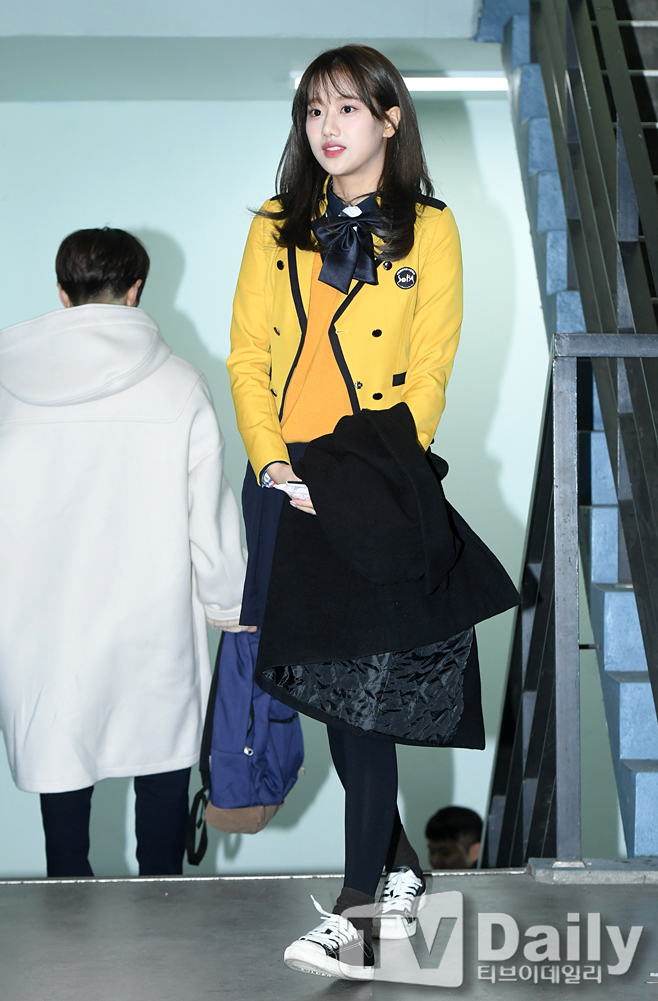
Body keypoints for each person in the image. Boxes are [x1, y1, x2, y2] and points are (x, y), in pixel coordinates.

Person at [227, 45, 516, 980]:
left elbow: (431, 365)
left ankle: (359, 914)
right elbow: (248, 356)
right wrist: (272, 461)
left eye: (347, 108)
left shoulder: (430, 227)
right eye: (314, 111)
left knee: (366, 704)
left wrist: (366, 472)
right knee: (324, 695)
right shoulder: (277, 224)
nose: (327, 127)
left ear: (390, 119)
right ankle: (400, 874)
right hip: (285, 478)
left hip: (372, 474)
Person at [0, 228, 248, 878]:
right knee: (162, 780)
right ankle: (164, 918)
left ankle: (68, 920)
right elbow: (209, 514)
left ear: (63, 293)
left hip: (42, 627)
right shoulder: (179, 384)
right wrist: (230, 604)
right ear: (135, 290)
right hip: (151, 622)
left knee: (62, 784)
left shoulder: (7, 385)